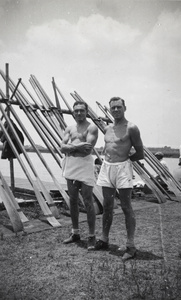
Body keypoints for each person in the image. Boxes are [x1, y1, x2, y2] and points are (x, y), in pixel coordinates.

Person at [95, 97, 144, 261]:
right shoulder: (107, 128)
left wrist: (125, 161)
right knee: (107, 205)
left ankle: (131, 246)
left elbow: (140, 153)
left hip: (123, 167)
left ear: (125, 108)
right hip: (106, 167)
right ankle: (104, 239)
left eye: (118, 107)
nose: (115, 110)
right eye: (113, 108)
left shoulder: (132, 128)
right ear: (109, 110)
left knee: (126, 206)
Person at [60, 101, 98, 250]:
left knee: (88, 201)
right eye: (76, 111)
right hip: (71, 166)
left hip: (85, 166)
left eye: (82, 110)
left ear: (87, 112)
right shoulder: (69, 128)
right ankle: (75, 233)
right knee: (73, 200)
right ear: (73, 112)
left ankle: (91, 236)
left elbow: (87, 150)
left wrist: (70, 149)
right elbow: (62, 148)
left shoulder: (92, 128)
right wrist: (76, 147)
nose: (79, 113)